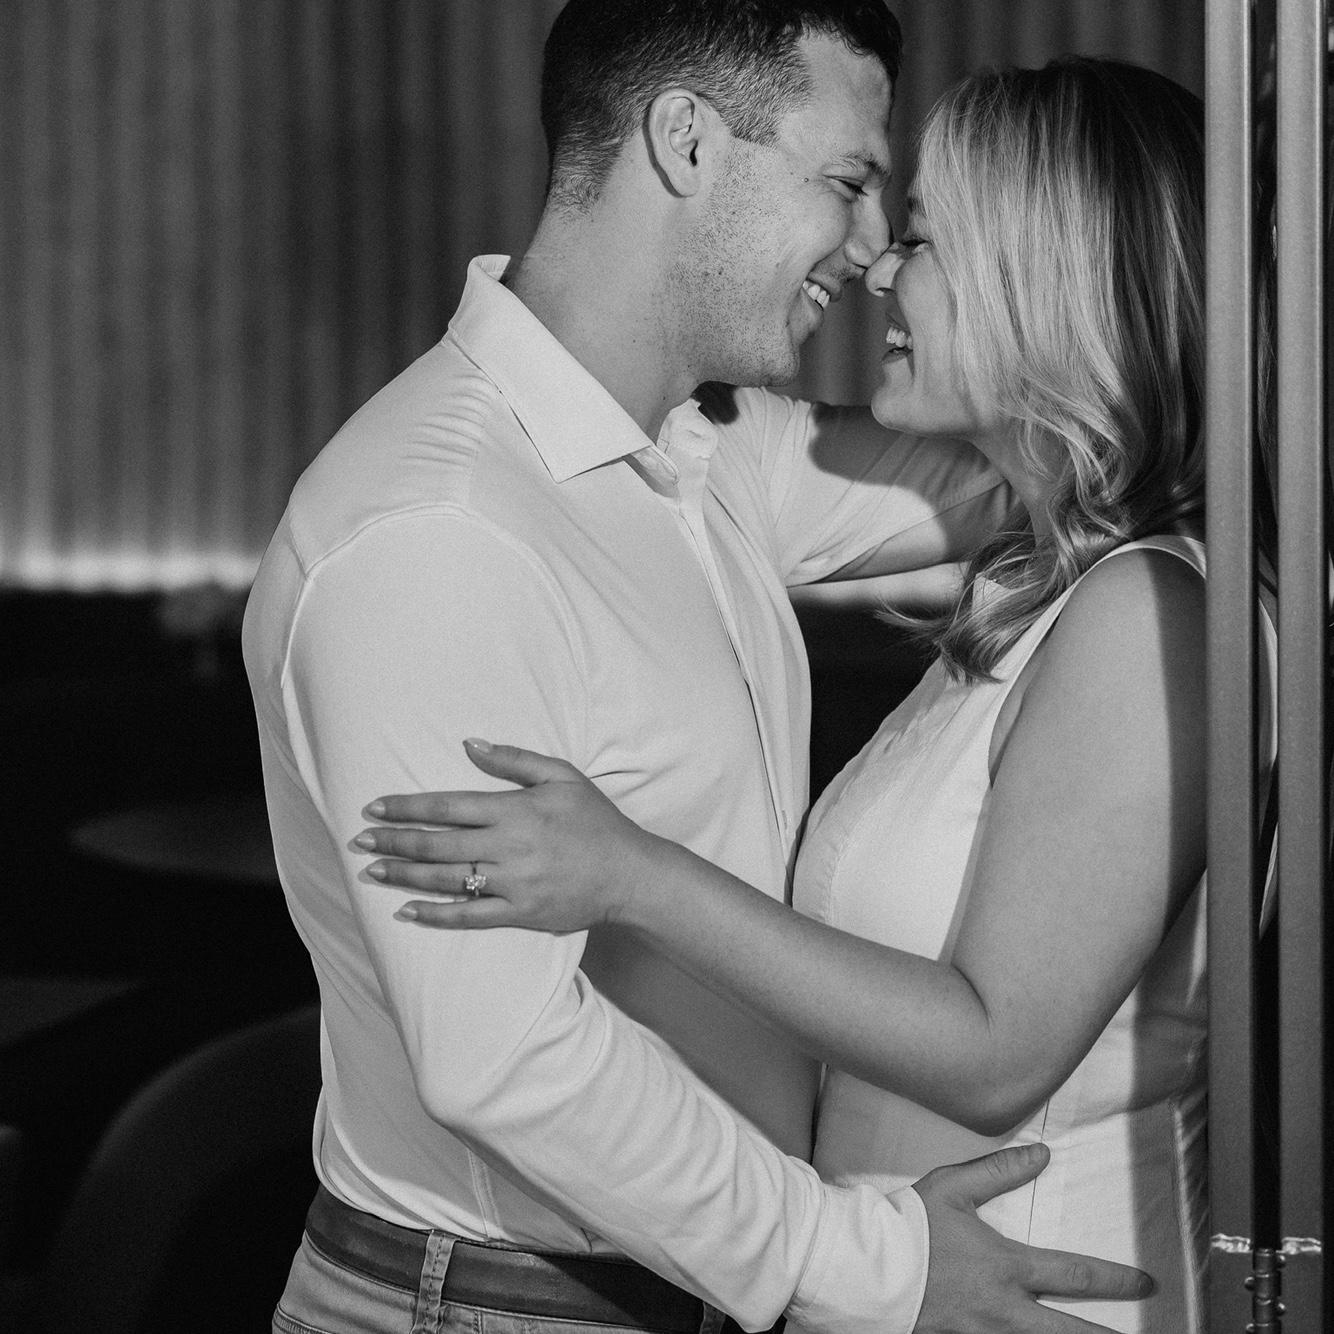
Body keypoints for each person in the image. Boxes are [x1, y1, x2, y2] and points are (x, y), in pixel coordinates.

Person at [245, 3, 1152, 1331]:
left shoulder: (710, 459)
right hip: (494, 1308)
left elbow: (1054, 435)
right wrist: (876, 1265)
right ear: (684, 141)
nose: (870, 249)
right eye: (846, 182)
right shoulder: (439, 532)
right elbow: (505, 1057)